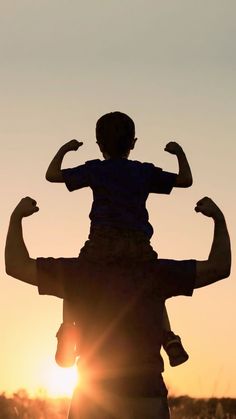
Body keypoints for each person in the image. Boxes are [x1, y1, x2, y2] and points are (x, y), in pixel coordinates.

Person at [5, 196, 231, 418]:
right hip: (146, 396)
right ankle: (168, 337)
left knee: (68, 290)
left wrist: (17, 218)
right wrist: (218, 219)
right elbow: (219, 267)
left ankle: (67, 332)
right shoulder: (155, 272)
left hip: (93, 397)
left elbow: (16, 265)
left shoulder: (79, 271)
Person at [45, 111, 193, 368]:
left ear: (99, 144)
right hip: (138, 245)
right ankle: (167, 336)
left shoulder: (96, 169)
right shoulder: (143, 171)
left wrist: (65, 149)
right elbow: (185, 180)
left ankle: (69, 330)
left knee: (72, 283)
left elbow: (52, 175)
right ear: (133, 142)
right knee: (154, 290)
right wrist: (179, 153)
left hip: (102, 243)